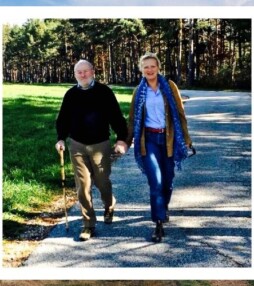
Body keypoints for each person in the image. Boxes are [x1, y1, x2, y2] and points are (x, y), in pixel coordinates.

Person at [55, 59, 128, 241]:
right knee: (83, 186)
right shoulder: (71, 94)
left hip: (100, 144)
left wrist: (121, 139)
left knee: (102, 182)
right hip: (77, 145)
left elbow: (116, 117)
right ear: (75, 74)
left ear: (93, 72)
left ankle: (109, 205)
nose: (82, 75)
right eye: (79, 72)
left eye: (86, 71)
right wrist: (60, 138)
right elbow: (63, 119)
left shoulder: (104, 92)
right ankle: (88, 224)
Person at [126, 52, 192, 243]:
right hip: (149, 140)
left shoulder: (169, 87)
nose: (149, 69)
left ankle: (163, 207)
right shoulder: (138, 92)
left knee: (168, 180)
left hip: (169, 139)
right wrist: (125, 141)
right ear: (141, 69)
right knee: (155, 182)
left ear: (158, 67)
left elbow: (180, 114)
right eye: (145, 66)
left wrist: (186, 138)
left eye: (152, 66)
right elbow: (132, 120)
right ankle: (158, 223)